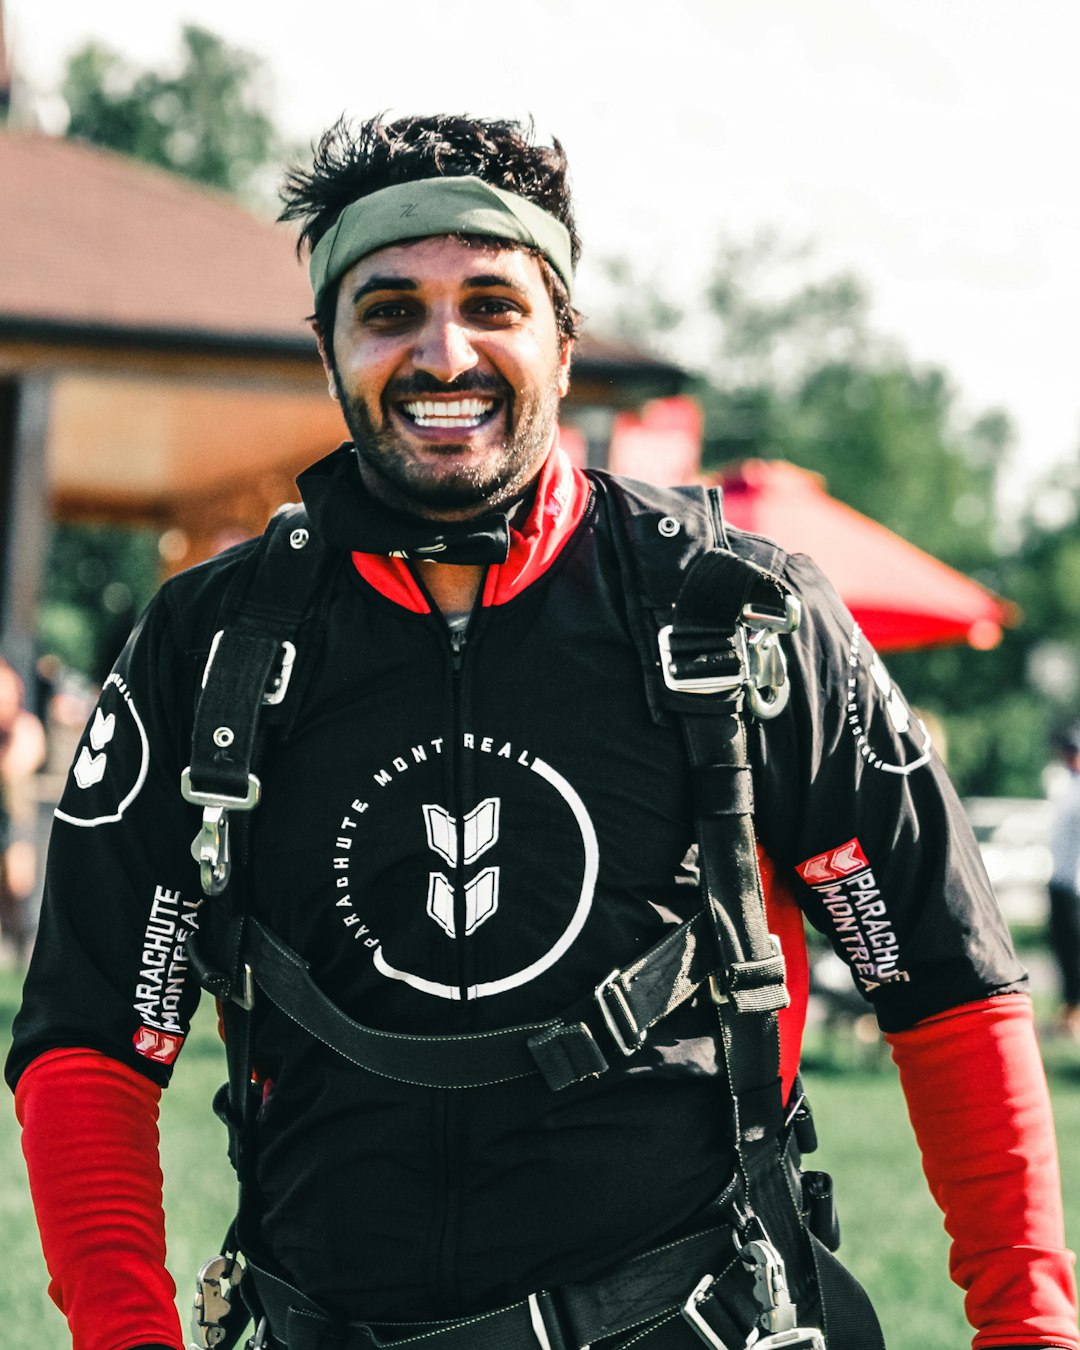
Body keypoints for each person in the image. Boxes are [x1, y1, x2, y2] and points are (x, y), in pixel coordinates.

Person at [6, 113, 1078, 1350]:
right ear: (330, 347)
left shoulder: (735, 612)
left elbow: (947, 988)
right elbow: (92, 1040)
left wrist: (1030, 1329)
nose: (442, 351)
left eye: (494, 305)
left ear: (563, 341)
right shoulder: (213, 646)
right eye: (391, 308)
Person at [0, 655, 46, 966]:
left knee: (19, 880)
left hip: (15, 814)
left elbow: (19, 765)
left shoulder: (25, 730)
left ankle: (23, 944)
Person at [1046, 725, 1080, 1038]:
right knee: (1063, 949)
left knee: (1074, 951)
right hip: (1062, 879)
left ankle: (1074, 1014)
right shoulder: (1065, 786)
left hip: (1077, 885)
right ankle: (1069, 1010)